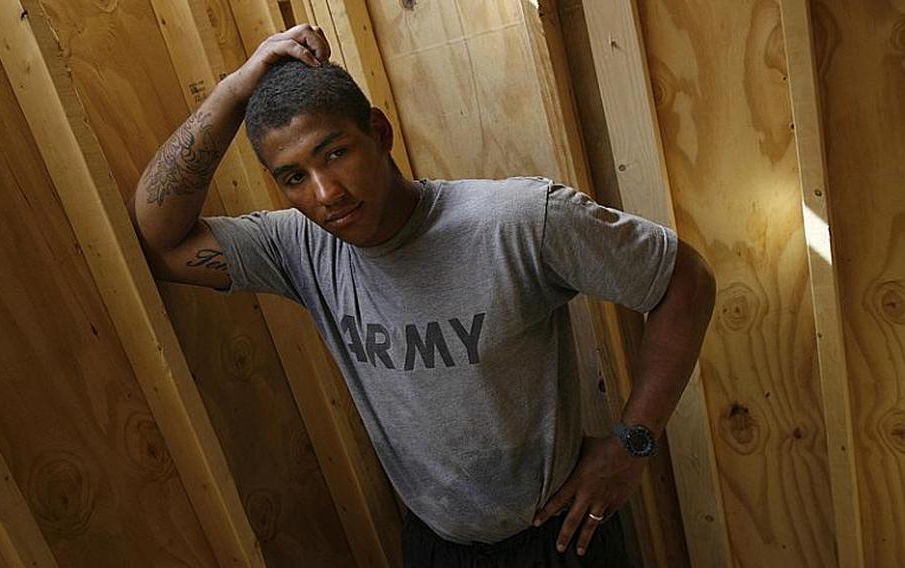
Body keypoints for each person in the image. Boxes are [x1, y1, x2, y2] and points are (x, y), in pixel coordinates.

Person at [129, 24, 715, 568]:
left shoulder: (516, 221)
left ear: (379, 135)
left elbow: (684, 280)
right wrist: (236, 88)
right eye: (294, 177)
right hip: (435, 545)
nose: (326, 192)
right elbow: (158, 234)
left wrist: (632, 443)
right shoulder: (300, 248)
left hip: (560, 536)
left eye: (336, 153)